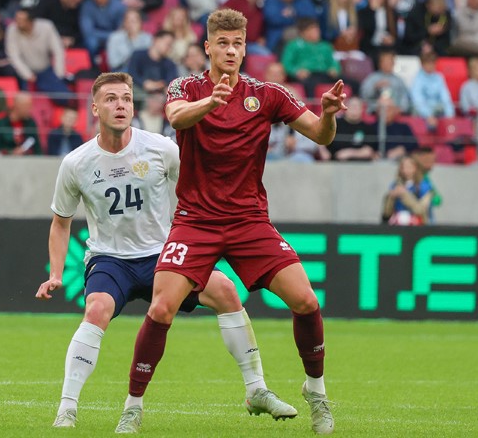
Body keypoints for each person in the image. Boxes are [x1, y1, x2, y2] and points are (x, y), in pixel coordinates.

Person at [114, 8, 345, 434]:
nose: (231, 51)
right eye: (222, 43)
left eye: (238, 44)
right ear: (208, 47)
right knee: (161, 308)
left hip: (249, 222)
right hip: (195, 221)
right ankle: (133, 406)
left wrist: (328, 113)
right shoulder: (186, 87)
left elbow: (320, 134)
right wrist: (212, 101)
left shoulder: (268, 94)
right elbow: (176, 117)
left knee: (307, 302)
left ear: (245, 48)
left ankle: (316, 391)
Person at [37, 72, 291, 428]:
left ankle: (257, 390)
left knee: (225, 291)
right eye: (111, 99)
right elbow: (61, 222)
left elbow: (197, 182)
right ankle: (67, 408)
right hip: (111, 259)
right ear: (94, 108)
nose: (121, 105)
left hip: (164, 253)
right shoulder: (76, 163)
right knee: (96, 309)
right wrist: (55, 274)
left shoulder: (160, 148)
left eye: (126, 98)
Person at [382, 155, 434, 226]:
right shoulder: (395, 185)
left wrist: (405, 195)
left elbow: (420, 210)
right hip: (397, 223)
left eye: (408, 167)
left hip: (417, 224)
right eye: (402, 167)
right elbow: (386, 213)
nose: (405, 170)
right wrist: (391, 197)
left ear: (415, 167)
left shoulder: (424, 186)